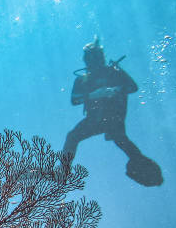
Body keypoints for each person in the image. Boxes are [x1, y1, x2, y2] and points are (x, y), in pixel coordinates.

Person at [63, 37, 163, 186]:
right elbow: (74, 100)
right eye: (91, 59)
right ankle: (63, 172)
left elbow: (132, 88)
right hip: (95, 119)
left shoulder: (113, 72)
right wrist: (93, 95)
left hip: (113, 117)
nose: (94, 62)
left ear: (101, 58)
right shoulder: (82, 80)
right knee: (75, 137)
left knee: (118, 140)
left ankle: (147, 172)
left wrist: (116, 88)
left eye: (96, 58)